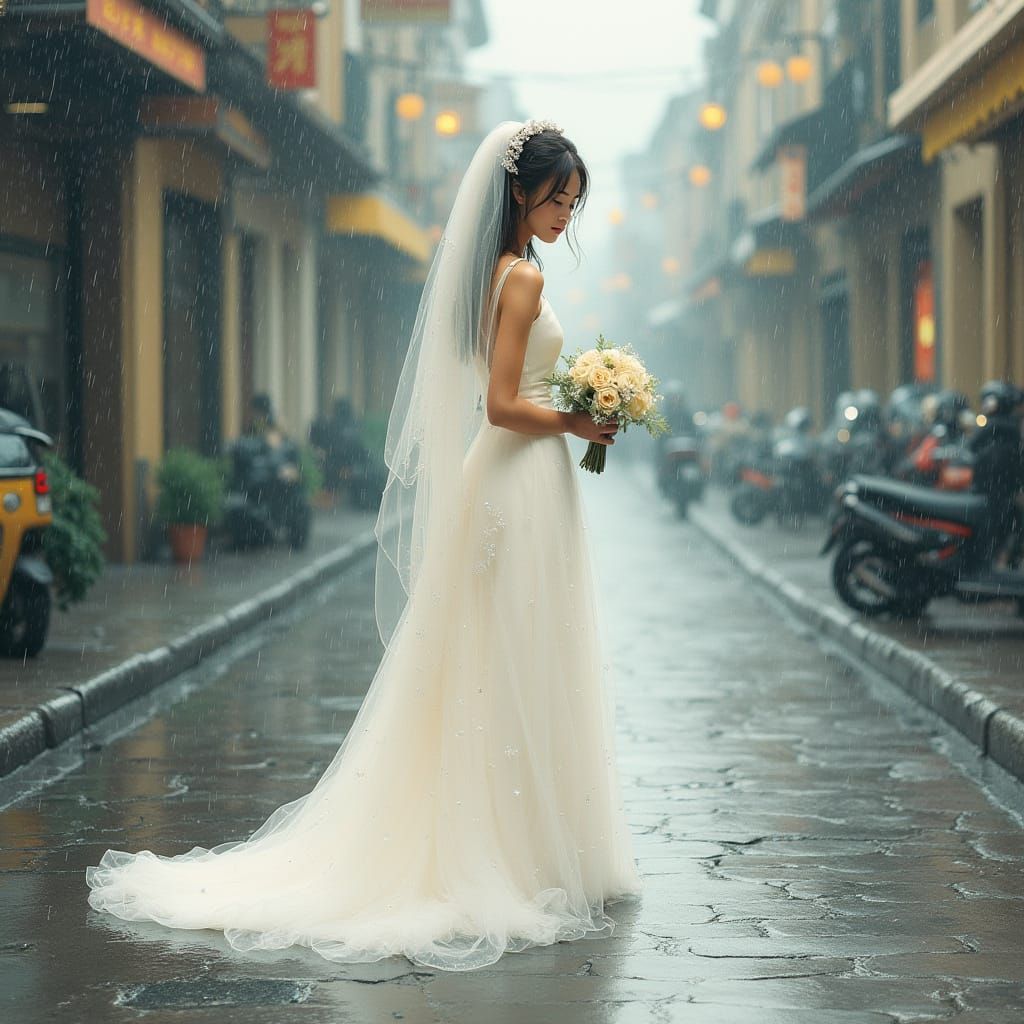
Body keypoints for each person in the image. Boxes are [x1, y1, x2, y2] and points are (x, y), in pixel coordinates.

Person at [85, 120, 642, 971]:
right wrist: (581, 415)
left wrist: (572, 407)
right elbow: (499, 404)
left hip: (518, 478)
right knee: (514, 653)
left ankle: (518, 840)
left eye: (575, 201)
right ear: (520, 192)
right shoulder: (521, 278)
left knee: (504, 655)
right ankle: (513, 850)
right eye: (557, 196)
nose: (567, 212)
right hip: (517, 471)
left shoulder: (498, 272)